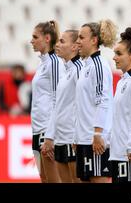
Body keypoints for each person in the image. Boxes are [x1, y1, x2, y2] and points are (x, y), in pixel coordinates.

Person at [75, 20, 117, 183]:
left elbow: (103, 101)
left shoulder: (99, 65)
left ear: (93, 40)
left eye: (81, 37)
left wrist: (98, 133)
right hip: (85, 138)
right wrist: (77, 136)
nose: (78, 41)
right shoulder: (87, 65)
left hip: (96, 139)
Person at [42, 30, 82, 183]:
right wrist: (50, 136)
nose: (57, 44)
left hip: (73, 139)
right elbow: (58, 106)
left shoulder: (79, 70)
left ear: (74, 47)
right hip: (60, 138)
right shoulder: (66, 71)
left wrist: (79, 136)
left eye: (62, 41)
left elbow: (84, 105)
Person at [30, 20, 65, 183]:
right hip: (38, 130)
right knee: (44, 178)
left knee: (53, 179)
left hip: (47, 130)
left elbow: (59, 99)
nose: (31, 41)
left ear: (47, 38)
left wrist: (51, 135)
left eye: (35, 37)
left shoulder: (55, 63)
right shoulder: (43, 63)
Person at [110, 27, 131, 183]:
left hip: (129, 153)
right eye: (115, 53)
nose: (114, 57)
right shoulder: (123, 81)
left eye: (119, 53)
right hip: (117, 151)